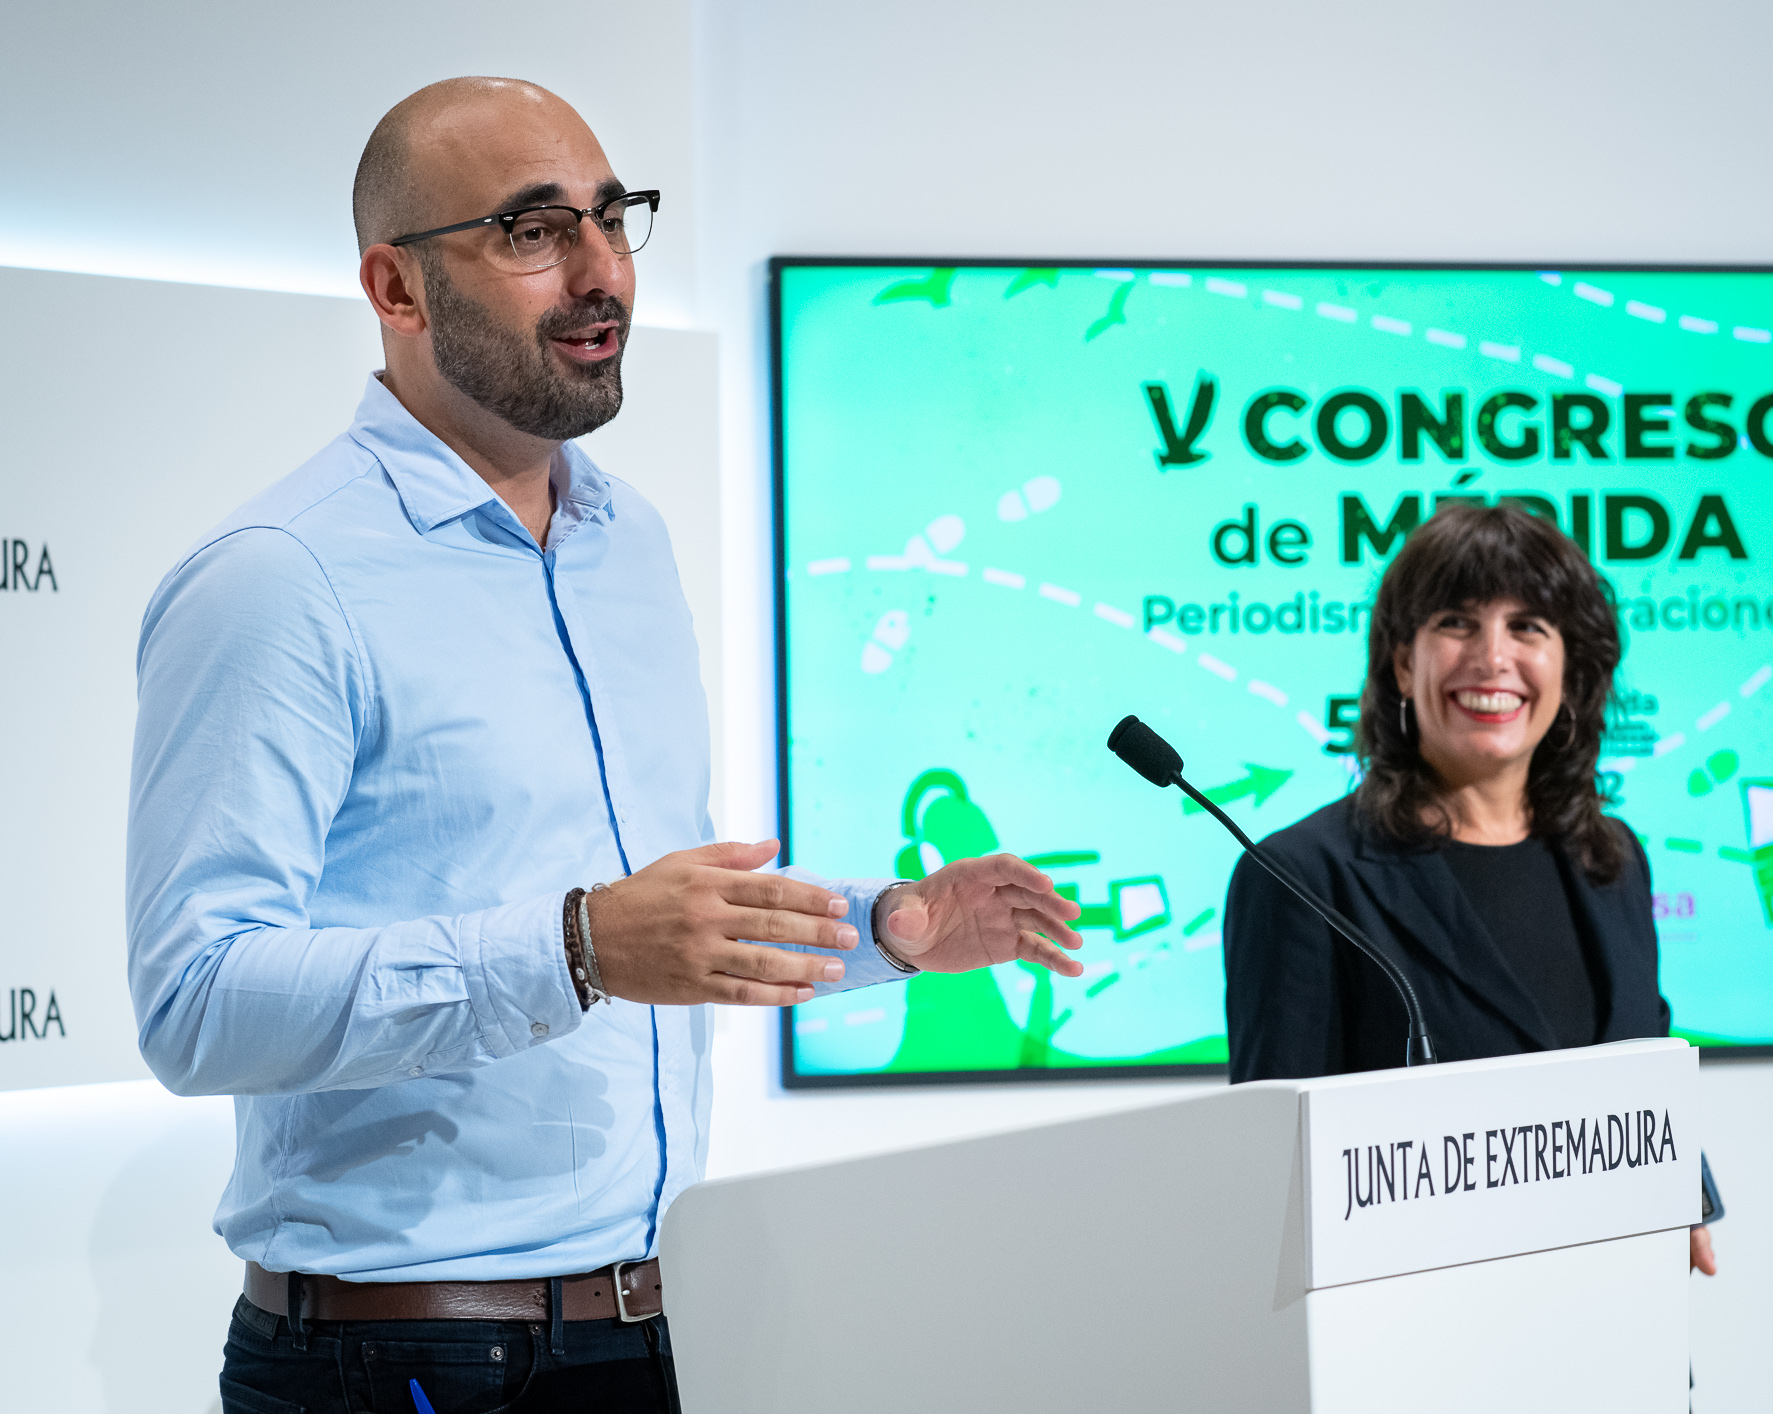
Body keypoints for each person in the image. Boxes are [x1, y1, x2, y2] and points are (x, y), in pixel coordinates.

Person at [125, 77, 1085, 1413]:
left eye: (611, 218)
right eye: (531, 230)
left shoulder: (627, 544)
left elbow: (651, 923)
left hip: (653, 1323)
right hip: (399, 1354)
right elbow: (195, 1003)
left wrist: (893, 927)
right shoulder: (279, 579)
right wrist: (573, 946)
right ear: (395, 289)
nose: (598, 274)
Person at [1221, 503, 1718, 1274]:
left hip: (1620, 1314)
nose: (1492, 659)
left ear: (1570, 670)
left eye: (1528, 627)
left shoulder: (1612, 861)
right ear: (1398, 663)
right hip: (1418, 1339)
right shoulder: (1302, 877)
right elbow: (1277, 1165)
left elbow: (1641, 1062)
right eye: (1456, 622)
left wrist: (1682, 1186)